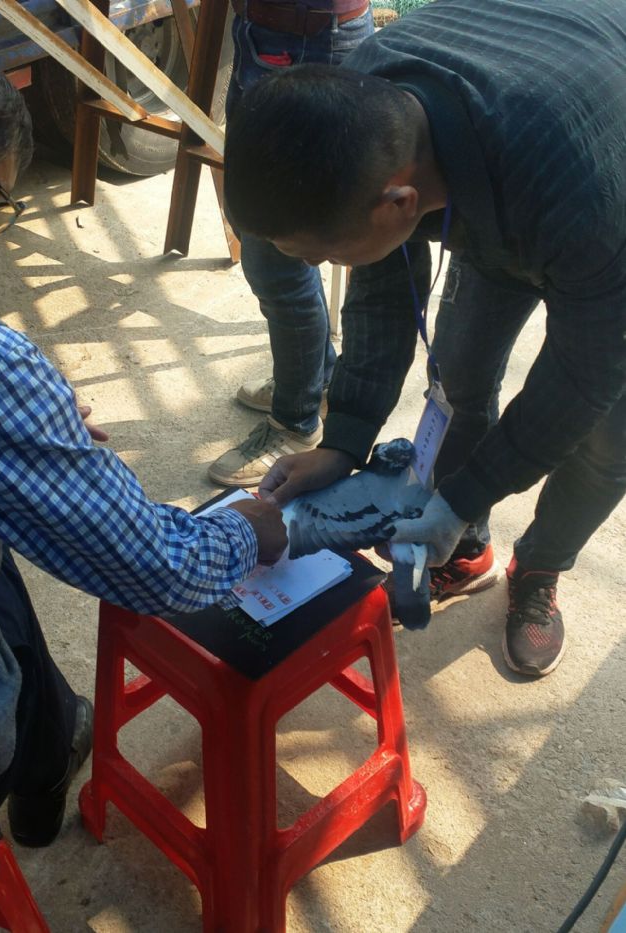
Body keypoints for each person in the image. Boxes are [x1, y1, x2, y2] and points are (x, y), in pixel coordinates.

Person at [0, 14, 286, 861]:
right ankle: (41, 747)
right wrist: (249, 530)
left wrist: (15, 438)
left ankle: (52, 735)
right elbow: (150, 567)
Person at [222, 0, 626, 677]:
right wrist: (343, 441)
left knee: (607, 435)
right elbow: (383, 293)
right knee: (461, 375)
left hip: (601, 172)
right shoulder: (369, 106)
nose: (322, 267)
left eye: (325, 254)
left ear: (401, 204)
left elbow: (583, 377)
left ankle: (542, 563)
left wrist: (465, 492)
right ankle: (464, 544)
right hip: (527, 137)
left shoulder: (579, 196)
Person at [206, 0, 376, 487]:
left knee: (276, 259)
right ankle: (315, 382)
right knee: (259, 230)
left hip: (309, 41)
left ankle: (296, 422)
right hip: (261, 34)